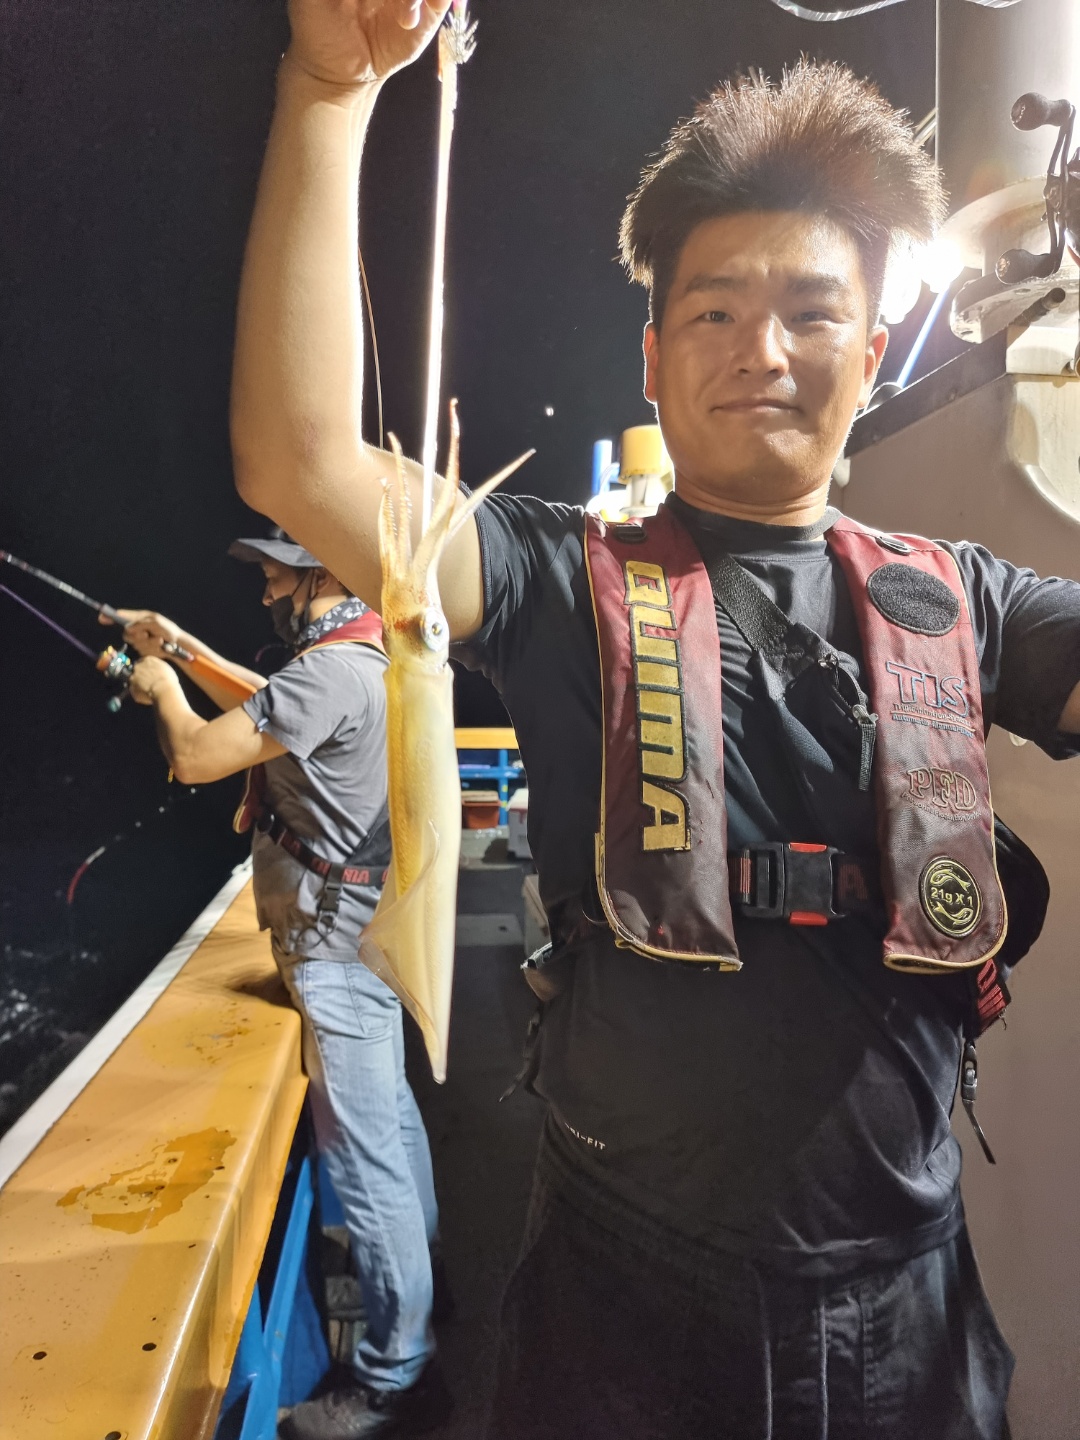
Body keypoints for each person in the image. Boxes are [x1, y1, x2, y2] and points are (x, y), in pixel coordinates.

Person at [228, 5, 1080, 1435]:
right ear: (653, 355)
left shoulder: (971, 601)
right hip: (621, 1297)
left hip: (910, 1312)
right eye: (716, 311)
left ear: (875, 350)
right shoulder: (557, 576)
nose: (765, 349)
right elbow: (299, 457)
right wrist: (327, 86)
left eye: (813, 312)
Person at [121, 530, 450, 1439]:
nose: (266, 588)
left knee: (364, 1161)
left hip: (331, 948)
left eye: (277, 572)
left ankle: (396, 1377)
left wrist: (161, 688)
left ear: (323, 573)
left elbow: (197, 755)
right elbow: (273, 703)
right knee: (393, 1121)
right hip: (371, 928)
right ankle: (426, 1284)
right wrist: (183, 646)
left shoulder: (331, 673)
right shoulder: (368, 652)